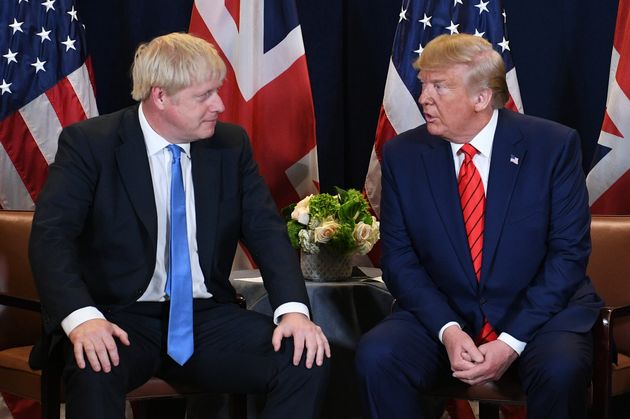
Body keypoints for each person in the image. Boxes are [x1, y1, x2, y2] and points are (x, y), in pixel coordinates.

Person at [29, 32, 330, 419]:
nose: (220, 105)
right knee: (95, 367)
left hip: (206, 317)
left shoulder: (229, 145)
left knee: (305, 357)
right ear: (160, 96)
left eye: (216, 91)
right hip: (117, 316)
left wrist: (293, 312)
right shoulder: (91, 144)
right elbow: (51, 238)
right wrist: (82, 320)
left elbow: (266, 233)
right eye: (204, 96)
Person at [355, 34, 603, 419]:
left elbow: (568, 255)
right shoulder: (403, 155)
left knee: (561, 369)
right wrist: (449, 330)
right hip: (445, 314)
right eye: (423, 85)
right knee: (378, 355)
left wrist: (509, 342)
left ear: (482, 98)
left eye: (440, 86)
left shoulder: (552, 146)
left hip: (539, 318)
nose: (424, 99)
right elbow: (400, 260)